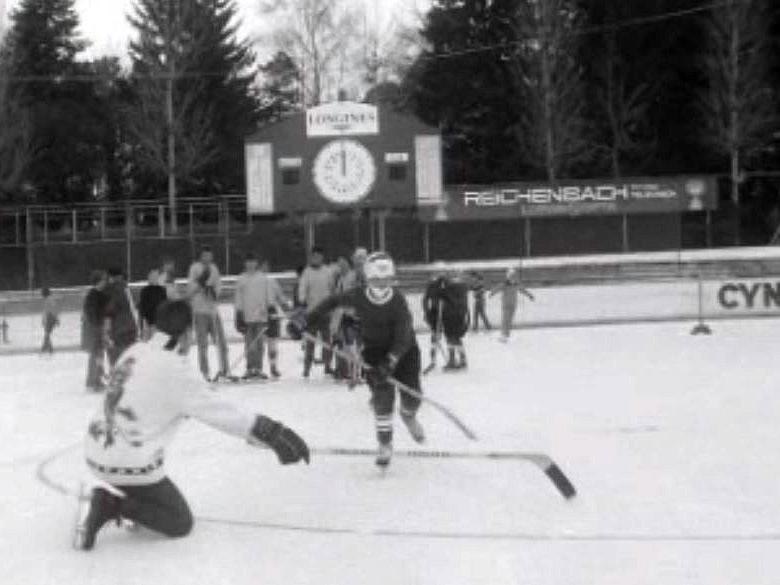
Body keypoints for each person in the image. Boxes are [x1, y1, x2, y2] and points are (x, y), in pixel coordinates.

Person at [76, 300, 309, 551]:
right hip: (128, 464)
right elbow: (224, 412)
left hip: (94, 454)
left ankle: (122, 498)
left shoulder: (134, 351)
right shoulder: (179, 369)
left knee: (143, 476)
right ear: (188, 333)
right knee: (179, 522)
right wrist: (272, 432)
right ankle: (110, 504)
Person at [292, 251, 424, 468]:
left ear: (392, 278)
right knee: (383, 399)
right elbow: (330, 303)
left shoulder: (398, 301)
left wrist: (390, 361)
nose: (381, 284)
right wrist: (305, 321)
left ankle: (408, 415)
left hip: (405, 352)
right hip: (374, 351)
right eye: (376, 280)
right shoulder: (358, 295)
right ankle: (385, 444)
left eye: (386, 279)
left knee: (413, 396)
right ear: (367, 278)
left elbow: (404, 334)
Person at [234, 254, 291, 380]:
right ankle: (250, 368)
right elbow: (238, 298)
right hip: (247, 316)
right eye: (248, 262)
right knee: (249, 344)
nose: (250, 264)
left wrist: (270, 308)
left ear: (256, 264)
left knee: (259, 344)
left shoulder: (263, 279)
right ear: (245, 263)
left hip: (261, 316)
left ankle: (258, 368)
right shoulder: (241, 279)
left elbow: (270, 297)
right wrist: (238, 313)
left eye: (253, 262)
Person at [187, 246, 229, 380]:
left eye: (209, 256)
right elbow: (190, 288)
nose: (207, 258)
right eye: (205, 255)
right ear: (201, 256)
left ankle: (224, 369)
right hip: (200, 311)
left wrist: (213, 292)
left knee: (221, 341)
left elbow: (218, 285)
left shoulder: (214, 268)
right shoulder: (194, 268)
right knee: (202, 344)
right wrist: (200, 284)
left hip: (213, 311)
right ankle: (204, 372)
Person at [297, 246, 336, 378]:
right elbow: (302, 288)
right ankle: (307, 368)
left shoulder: (327, 271)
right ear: (311, 257)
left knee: (327, 341)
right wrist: (302, 300)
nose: (316, 259)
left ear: (322, 257)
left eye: (319, 256)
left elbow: (332, 289)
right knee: (310, 341)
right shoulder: (307, 272)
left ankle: (327, 366)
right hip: (312, 313)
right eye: (314, 256)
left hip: (325, 312)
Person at [422, 267, 469, 370]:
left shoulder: (453, 286)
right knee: (454, 337)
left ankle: (453, 361)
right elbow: (431, 297)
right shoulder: (460, 285)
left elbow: (443, 294)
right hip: (456, 314)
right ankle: (461, 359)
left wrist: (439, 285)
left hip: (452, 315)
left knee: (451, 337)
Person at [104, 268, 139, 367]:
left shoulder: (111, 291)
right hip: (131, 328)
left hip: (118, 331)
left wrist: (107, 332)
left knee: (117, 361)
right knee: (129, 360)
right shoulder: (127, 289)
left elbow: (108, 312)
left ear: (111, 277)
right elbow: (133, 308)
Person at [81, 270, 110, 392]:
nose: (105, 281)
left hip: (98, 329)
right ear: (98, 281)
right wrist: (99, 328)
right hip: (94, 330)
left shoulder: (100, 294)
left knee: (99, 356)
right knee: (95, 356)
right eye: (103, 279)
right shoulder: (92, 295)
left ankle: (97, 381)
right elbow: (91, 315)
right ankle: (91, 383)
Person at [490, 266, 535, 342]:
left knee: (509, 320)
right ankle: (503, 335)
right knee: (505, 320)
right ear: (508, 277)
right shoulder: (504, 284)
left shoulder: (516, 284)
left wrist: (529, 295)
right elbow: (497, 288)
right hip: (505, 304)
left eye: (514, 276)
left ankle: (506, 334)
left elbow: (523, 290)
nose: (513, 278)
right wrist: (492, 293)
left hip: (513, 304)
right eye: (511, 276)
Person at [138, 269, 168, 341]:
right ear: (148, 277)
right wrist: (141, 325)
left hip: (159, 323)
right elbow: (141, 309)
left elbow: (166, 307)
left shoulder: (162, 290)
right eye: (152, 276)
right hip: (148, 323)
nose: (153, 278)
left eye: (155, 276)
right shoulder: (144, 291)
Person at [40, 287, 59, 355]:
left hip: (50, 318)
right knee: (47, 334)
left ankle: (46, 348)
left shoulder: (49, 300)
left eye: (42, 293)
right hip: (49, 318)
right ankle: (48, 348)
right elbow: (47, 311)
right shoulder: (48, 300)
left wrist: (56, 319)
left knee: (47, 333)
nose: (41, 295)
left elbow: (52, 310)